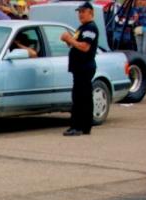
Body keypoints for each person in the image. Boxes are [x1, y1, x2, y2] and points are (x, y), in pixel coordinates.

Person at [61, 1, 98, 136]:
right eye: (79, 12)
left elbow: (85, 47)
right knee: (80, 96)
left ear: (90, 13)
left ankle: (78, 127)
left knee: (81, 97)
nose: (80, 14)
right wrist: (68, 40)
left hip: (84, 67)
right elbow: (75, 44)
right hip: (79, 68)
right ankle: (82, 126)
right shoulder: (82, 28)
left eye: (83, 12)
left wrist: (69, 39)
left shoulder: (90, 28)